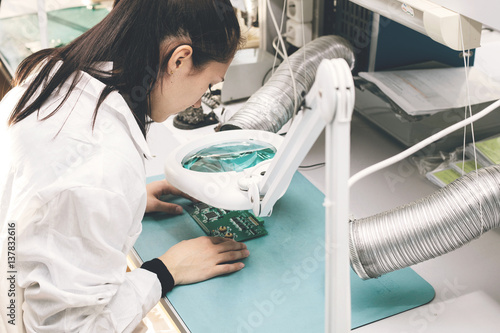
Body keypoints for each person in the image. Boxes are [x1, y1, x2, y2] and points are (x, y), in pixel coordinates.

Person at [0, 0, 250, 331]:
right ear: (179, 59)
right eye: (208, 85)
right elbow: (66, 329)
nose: (197, 102)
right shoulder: (103, 168)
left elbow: (45, 194)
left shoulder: (49, 72)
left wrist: (117, 205)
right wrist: (164, 271)